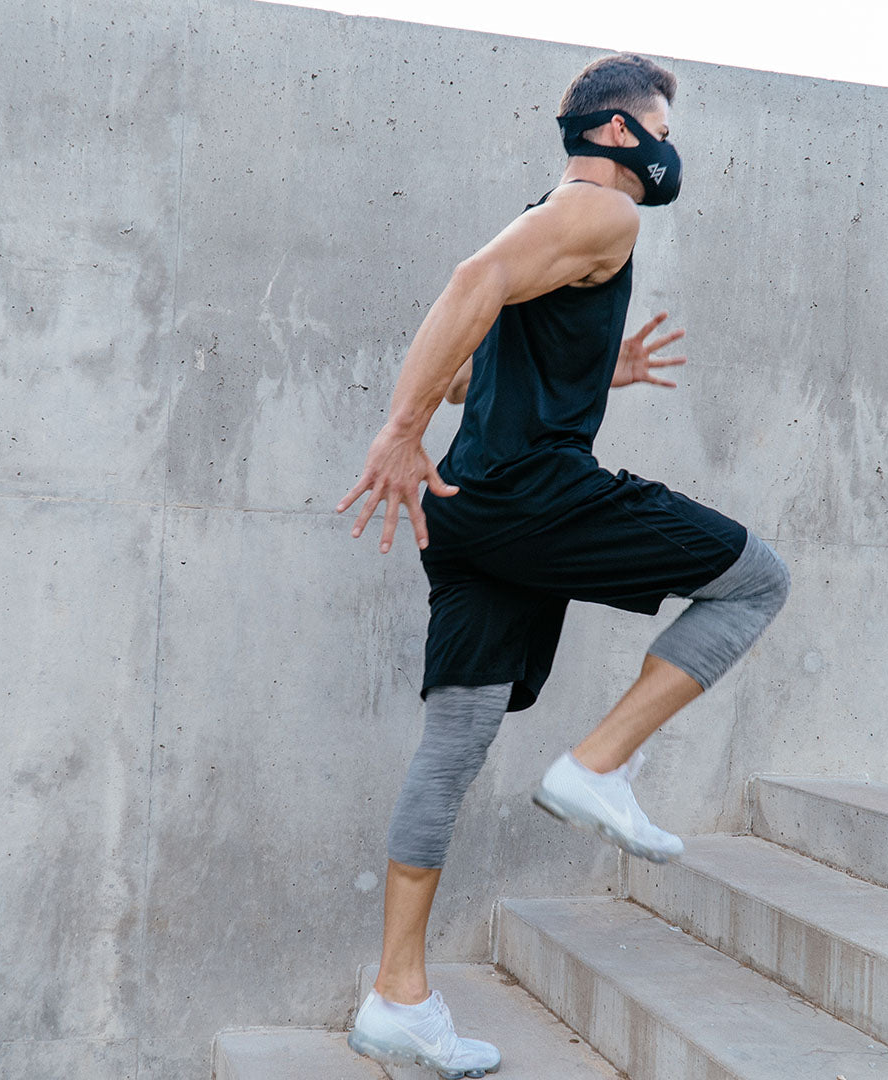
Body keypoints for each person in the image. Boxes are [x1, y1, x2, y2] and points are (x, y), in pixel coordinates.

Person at [336, 52, 791, 1079]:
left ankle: (396, 997)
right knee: (757, 577)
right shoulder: (602, 209)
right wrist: (395, 430)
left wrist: (593, 366)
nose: (673, 148)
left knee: (451, 745)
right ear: (624, 134)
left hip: (469, 510)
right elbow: (468, 287)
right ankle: (597, 765)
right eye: (665, 127)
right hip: (531, 493)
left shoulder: (543, 217)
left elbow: (464, 373)